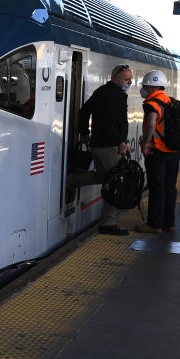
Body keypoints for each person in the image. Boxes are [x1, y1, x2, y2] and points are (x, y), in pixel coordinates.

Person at [68, 63, 133, 235]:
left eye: (131, 79)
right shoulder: (116, 95)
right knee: (116, 181)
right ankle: (107, 223)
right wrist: (122, 142)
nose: (130, 82)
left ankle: (72, 181)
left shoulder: (101, 91)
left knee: (102, 176)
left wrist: (84, 133)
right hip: (109, 145)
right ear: (116, 78)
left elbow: (84, 111)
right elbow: (112, 123)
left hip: (97, 144)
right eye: (127, 79)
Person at [135, 70, 179, 234]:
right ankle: (169, 223)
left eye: (144, 86)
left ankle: (154, 224)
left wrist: (146, 142)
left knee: (157, 187)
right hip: (174, 152)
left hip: (158, 152)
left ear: (150, 86)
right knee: (170, 187)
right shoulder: (171, 101)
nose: (143, 89)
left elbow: (152, 124)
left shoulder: (152, 103)